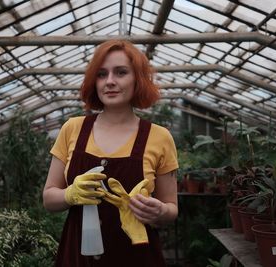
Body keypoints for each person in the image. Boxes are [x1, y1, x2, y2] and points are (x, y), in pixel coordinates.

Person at [43, 39, 178, 267]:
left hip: (137, 258)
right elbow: (48, 198)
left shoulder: (159, 137)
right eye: (102, 74)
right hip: (79, 257)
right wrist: (70, 194)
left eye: (121, 72)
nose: (110, 82)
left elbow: (171, 207)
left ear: (138, 79)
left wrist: (160, 211)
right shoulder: (73, 129)